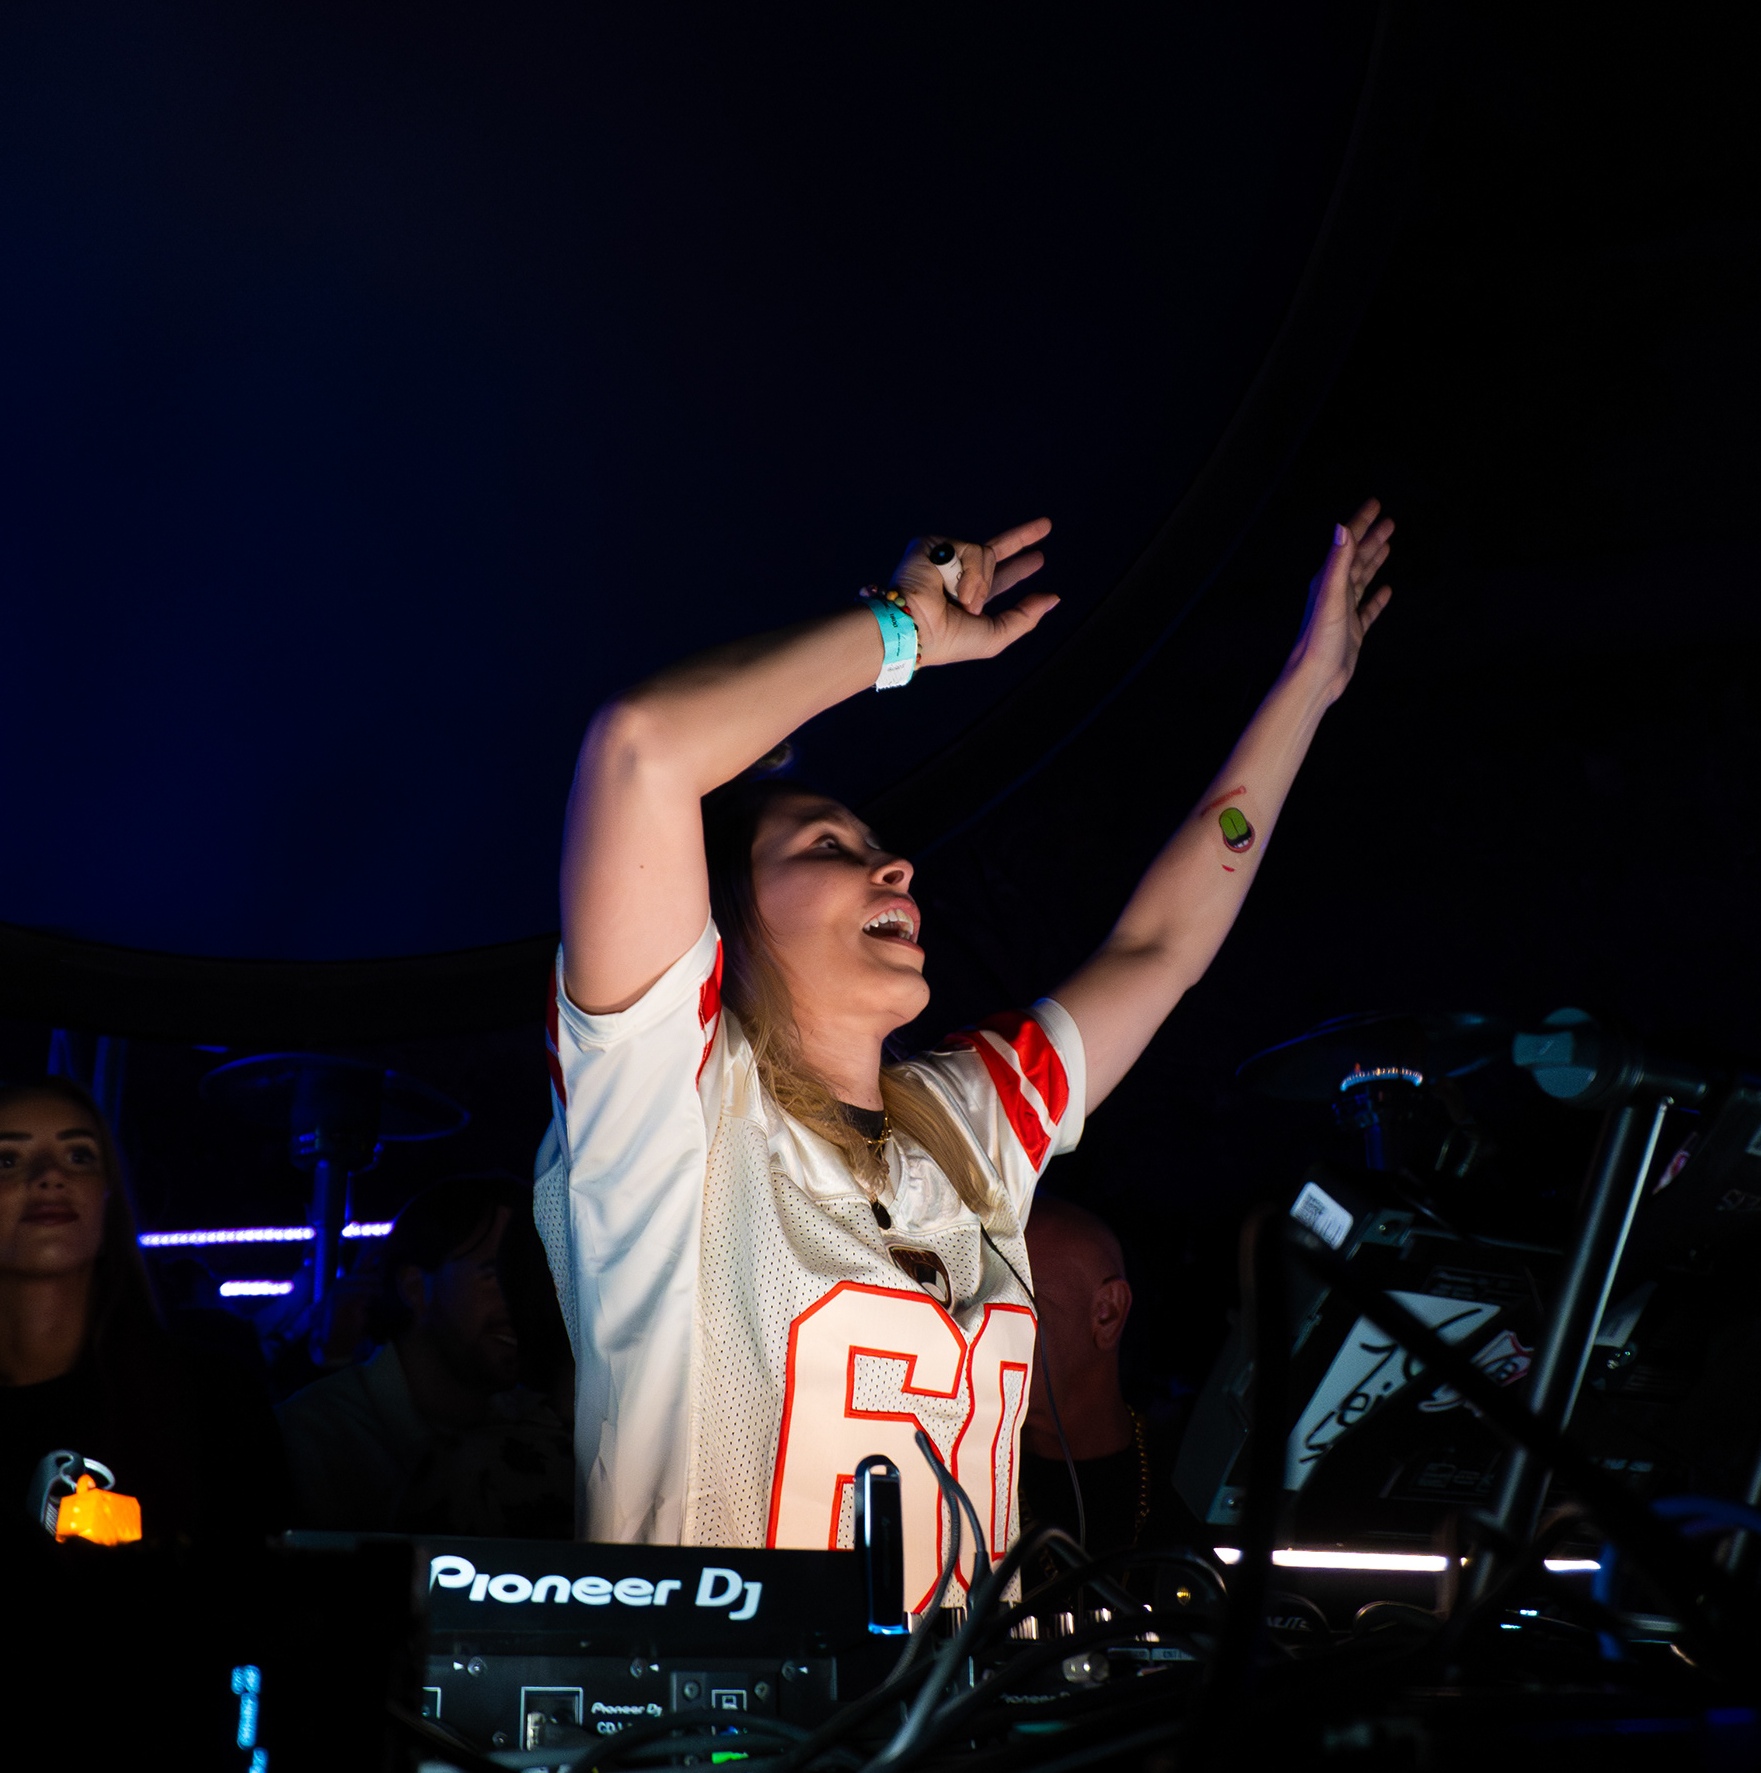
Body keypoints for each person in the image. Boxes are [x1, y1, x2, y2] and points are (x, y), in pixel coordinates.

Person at [541, 501, 1393, 1612]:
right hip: (718, 1723)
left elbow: (1160, 946)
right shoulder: (672, 1113)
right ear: (723, 920)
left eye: (882, 847)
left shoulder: (964, 1128)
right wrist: (902, 631)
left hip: (965, 1718)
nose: (895, 868)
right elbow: (642, 748)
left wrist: (1310, 687)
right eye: (829, 846)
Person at [0, 1076, 288, 1540]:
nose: (51, 1176)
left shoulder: (215, 1404)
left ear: (106, 1201)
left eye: (79, 1156)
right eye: (6, 1160)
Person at [279, 1176, 574, 1536]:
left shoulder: (538, 1426)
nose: (521, 1300)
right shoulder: (313, 1439)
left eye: (533, 1281)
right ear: (415, 1287)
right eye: (497, 1276)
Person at [1015, 1194, 1206, 1570]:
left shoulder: (1195, 1482)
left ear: (1107, 1313)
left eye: (1016, 1300)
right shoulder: (958, 1480)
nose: (978, 1327)